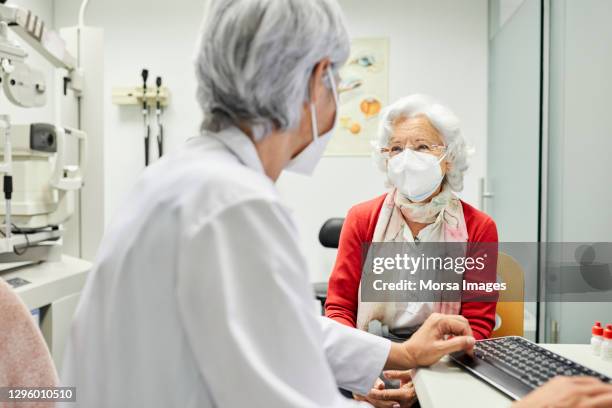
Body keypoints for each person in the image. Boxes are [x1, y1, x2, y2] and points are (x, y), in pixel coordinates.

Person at [59, 0, 612, 407]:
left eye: (421, 147)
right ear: (318, 79)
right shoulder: (234, 206)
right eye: (338, 82)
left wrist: (401, 355)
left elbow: (289, 329)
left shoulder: (182, 180)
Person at [325, 95, 497, 406]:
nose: (407, 158)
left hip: (444, 359)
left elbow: (478, 325)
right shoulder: (361, 219)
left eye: (421, 147)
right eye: (396, 148)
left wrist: (425, 382)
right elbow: (339, 310)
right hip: (371, 348)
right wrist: (360, 373)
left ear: (448, 157)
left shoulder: (479, 228)